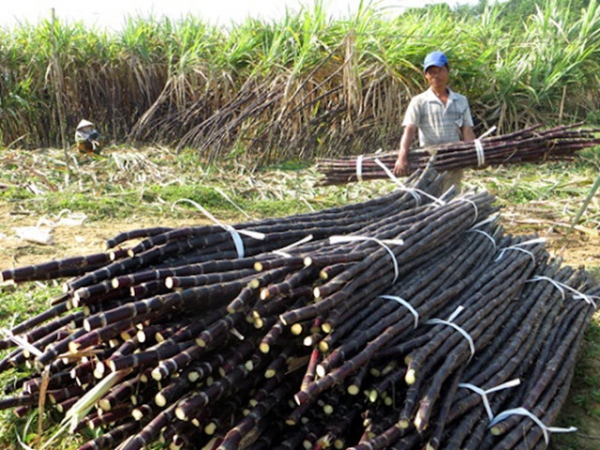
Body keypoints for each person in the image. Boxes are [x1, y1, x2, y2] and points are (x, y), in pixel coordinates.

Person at [394, 51, 475, 192]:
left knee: (451, 197)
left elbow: (467, 130)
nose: (436, 76)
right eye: (432, 72)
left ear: (448, 72)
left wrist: (473, 154)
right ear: (426, 75)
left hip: (454, 158)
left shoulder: (460, 100)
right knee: (430, 198)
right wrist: (402, 157)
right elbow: (409, 129)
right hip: (428, 159)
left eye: (440, 70)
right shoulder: (419, 101)